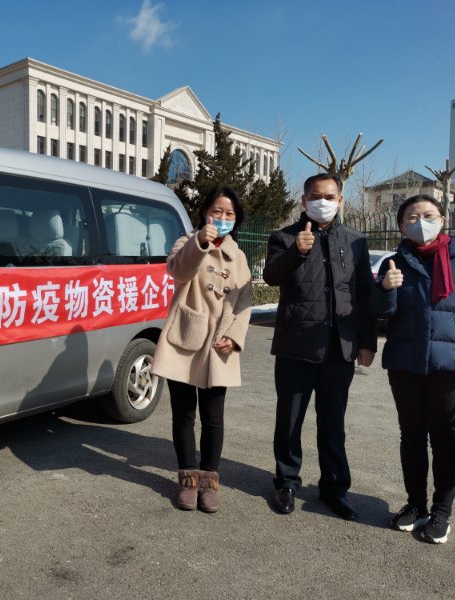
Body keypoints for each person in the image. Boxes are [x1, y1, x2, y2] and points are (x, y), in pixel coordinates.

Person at [371, 194, 455, 544]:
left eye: (428, 215)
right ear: (401, 226)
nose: (421, 222)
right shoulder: (394, 262)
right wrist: (385, 289)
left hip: (451, 366)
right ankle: (415, 504)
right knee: (411, 437)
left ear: (442, 219)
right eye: (412, 217)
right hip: (406, 364)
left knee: (445, 440)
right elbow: (379, 312)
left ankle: (442, 511)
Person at [263, 172, 377, 521]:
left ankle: (334, 489)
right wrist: (297, 252)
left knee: (333, 423)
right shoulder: (284, 237)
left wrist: (367, 342)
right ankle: (286, 482)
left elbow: (364, 295)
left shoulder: (355, 241)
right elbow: (271, 276)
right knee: (289, 420)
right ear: (303, 200)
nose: (322, 202)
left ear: (340, 200)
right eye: (315, 196)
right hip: (295, 345)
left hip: (339, 348)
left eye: (329, 196)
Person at [152, 185, 253, 513]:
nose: (222, 218)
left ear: (236, 219)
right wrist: (200, 243)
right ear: (205, 213)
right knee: (183, 414)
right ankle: (187, 480)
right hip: (185, 338)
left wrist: (234, 336)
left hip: (219, 344)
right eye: (217, 211)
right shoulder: (187, 242)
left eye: (229, 214)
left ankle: (209, 482)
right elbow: (178, 272)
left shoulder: (239, 256)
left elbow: (245, 302)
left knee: (213, 418)